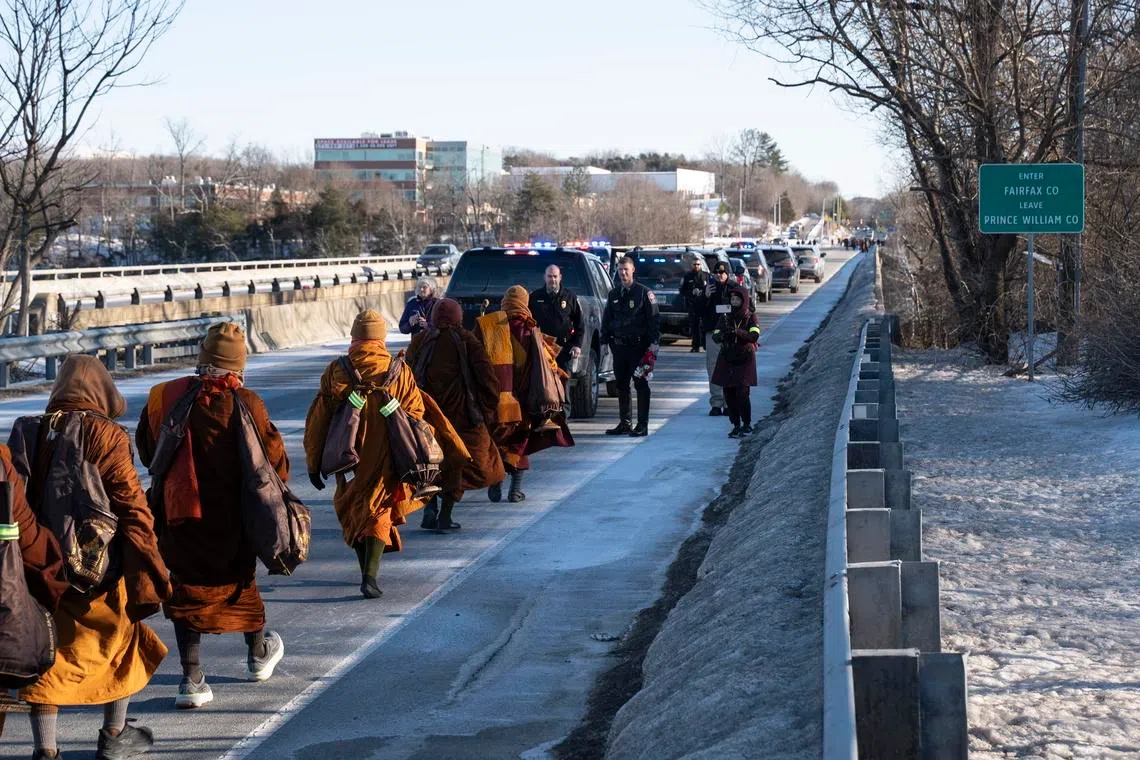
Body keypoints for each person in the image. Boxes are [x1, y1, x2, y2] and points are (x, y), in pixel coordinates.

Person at [19, 355, 171, 759]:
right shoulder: (106, 435)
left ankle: (45, 750)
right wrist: (150, 559)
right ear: (102, 391)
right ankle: (114, 735)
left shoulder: (27, 431)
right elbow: (131, 504)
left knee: (48, 654)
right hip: (97, 567)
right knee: (121, 641)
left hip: (40, 565)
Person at [136, 323, 287, 710]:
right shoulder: (247, 403)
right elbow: (274, 466)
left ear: (203, 358)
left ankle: (192, 679)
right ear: (238, 365)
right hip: (233, 519)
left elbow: (147, 449)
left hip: (179, 515)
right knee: (239, 584)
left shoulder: (163, 397)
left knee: (186, 588)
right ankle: (257, 656)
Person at [305, 310, 466, 597]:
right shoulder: (398, 371)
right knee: (379, 508)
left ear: (355, 337)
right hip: (387, 458)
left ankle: (365, 569)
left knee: (352, 507)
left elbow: (319, 419)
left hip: (348, 458)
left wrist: (313, 463)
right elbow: (416, 414)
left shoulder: (336, 370)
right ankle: (371, 575)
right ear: (380, 338)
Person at [407, 298, 505, 532]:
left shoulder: (420, 341)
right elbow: (486, 377)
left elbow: (406, 376)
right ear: (457, 316)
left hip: (426, 418)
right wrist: (490, 407)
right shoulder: (466, 340)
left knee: (428, 462)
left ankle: (430, 509)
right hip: (462, 418)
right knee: (461, 463)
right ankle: (445, 516)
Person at [475, 286, 575, 502]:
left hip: (495, 398)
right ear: (524, 303)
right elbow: (547, 364)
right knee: (520, 441)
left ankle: (497, 481)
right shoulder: (529, 330)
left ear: (505, 302)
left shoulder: (488, 326)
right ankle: (515, 490)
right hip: (524, 398)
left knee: (498, 441)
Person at [601, 256, 660, 437]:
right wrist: (605, 342)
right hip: (619, 348)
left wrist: (653, 345)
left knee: (641, 385)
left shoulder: (644, 293)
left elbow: (654, 320)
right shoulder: (614, 294)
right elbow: (607, 320)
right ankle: (625, 422)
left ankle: (642, 424)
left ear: (633, 270)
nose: (623, 273)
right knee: (622, 385)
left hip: (639, 348)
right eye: (620, 270)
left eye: (626, 269)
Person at [711, 286, 761, 437]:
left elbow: (754, 336)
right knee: (729, 393)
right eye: (732, 299)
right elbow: (716, 333)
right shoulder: (725, 317)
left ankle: (746, 423)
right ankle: (735, 424)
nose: (734, 302)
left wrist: (737, 332)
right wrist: (721, 335)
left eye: (737, 299)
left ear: (744, 300)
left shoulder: (750, 316)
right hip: (728, 357)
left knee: (743, 393)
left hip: (744, 358)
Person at [529, 264, 584, 374]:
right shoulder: (535, 297)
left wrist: (577, 345)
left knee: (563, 384)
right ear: (544, 277)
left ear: (560, 277)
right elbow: (529, 322)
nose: (552, 279)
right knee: (544, 385)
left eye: (555, 276)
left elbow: (579, 324)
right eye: (549, 276)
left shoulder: (570, 297)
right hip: (542, 349)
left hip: (564, 349)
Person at [699, 260, 735, 417]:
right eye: (716, 273)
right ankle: (716, 403)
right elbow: (698, 311)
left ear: (727, 273)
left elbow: (747, 308)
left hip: (730, 334)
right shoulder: (709, 289)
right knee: (713, 368)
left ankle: (729, 403)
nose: (719, 275)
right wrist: (705, 296)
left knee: (730, 368)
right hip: (713, 333)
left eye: (722, 272)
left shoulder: (735, 288)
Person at [680, 255, 708, 353]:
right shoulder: (687, 276)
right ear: (691, 265)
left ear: (701, 265)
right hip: (692, 304)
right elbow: (682, 290)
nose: (696, 266)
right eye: (694, 264)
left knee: (705, 326)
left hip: (704, 305)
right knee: (694, 326)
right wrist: (691, 292)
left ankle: (705, 345)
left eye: (698, 264)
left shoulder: (706, 275)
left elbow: (711, 288)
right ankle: (695, 346)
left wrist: (702, 291)